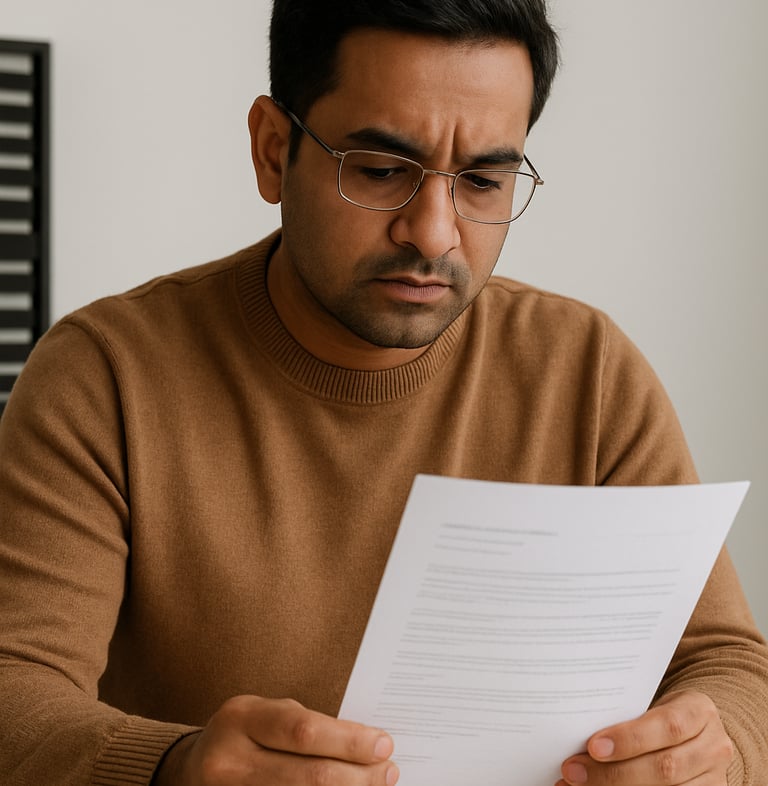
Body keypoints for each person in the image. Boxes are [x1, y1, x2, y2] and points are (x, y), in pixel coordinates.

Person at [0, 1, 766, 784]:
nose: (434, 233)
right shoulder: (106, 377)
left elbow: (727, 661)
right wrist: (174, 768)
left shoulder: (588, 371)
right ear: (273, 150)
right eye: (379, 170)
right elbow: (14, 692)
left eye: (483, 180)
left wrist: (714, 753)